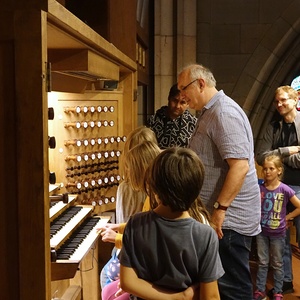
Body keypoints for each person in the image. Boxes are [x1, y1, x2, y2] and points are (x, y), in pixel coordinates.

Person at [177, 63, 261, 300]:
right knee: (221, 284)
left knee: (233, 287)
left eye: (184, 89)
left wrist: (220, 210)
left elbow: (241, 166)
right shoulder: (209, 111)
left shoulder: (223, 113)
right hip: (222, 218)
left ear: (201, 83)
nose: (182, 96)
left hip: (229, 221)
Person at [119, 147, 224, 300]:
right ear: (196, 189)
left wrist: (174, 297)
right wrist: (180, 297)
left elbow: (127, 282)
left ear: (154, 185)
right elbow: (211, 297)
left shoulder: (135, 223)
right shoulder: (205, 235)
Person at [100, 127, 158, 289]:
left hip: (138, 259)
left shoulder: (149, 195)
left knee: (106, 275)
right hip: (137, 254)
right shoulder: (153, 194)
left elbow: (151, 239)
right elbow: (143, 227)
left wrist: (117, 237)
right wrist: (119, 227)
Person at [255, 85, 300, 296]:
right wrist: (286, 151)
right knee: (281, 236)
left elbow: (273, 159)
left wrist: (281, 158)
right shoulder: (273, 127)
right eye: (277, 101)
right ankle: (287, 282)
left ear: (295, 99)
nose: (279, 104)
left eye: (283, 100)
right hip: (279, 188)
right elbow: (261, 157)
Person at [254, 154, 300, 300]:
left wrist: (287, 217)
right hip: (262, 232)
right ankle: (260, 289)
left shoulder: (285, 189)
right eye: (265, 169)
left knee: (277, 263)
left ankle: (278, 291)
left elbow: (299, 206)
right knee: (262, 262)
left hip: (278, 233)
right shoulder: (259, 188)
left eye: (271, 168)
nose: (267, 172)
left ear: (279, 170)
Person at [147, 83, 197, 149]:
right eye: (175, 101)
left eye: (182, 102)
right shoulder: (153, 120)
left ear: (188, 103)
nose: (177, 106)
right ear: (169, 98)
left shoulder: (194, 124)